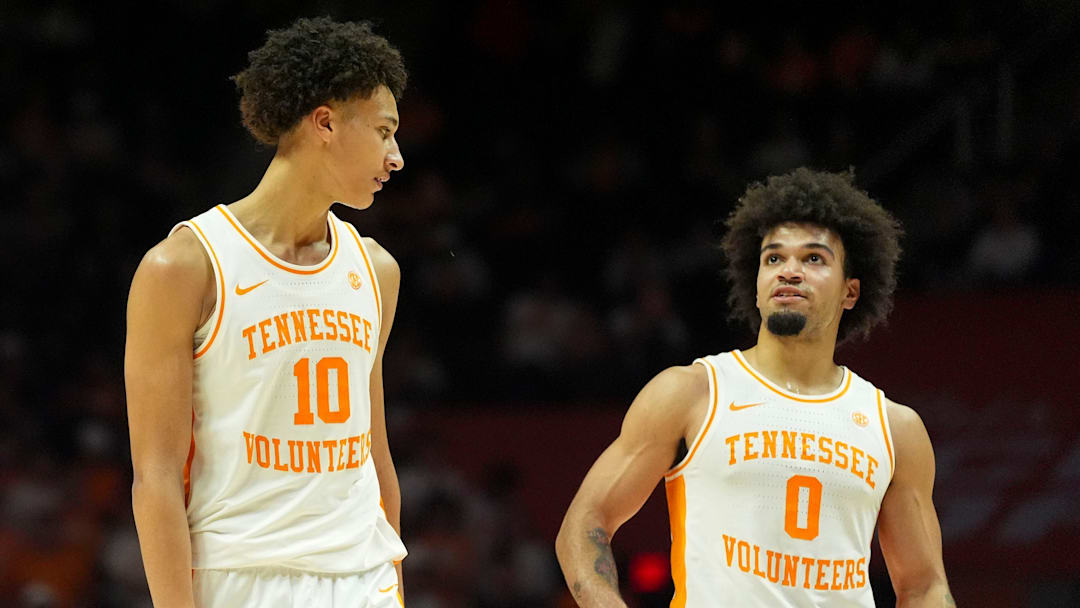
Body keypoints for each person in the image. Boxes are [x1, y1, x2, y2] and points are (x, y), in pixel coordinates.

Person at [556, 168, 954, 607]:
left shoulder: (895, 428)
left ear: (850, 292)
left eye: (814, 259)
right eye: (774, 258)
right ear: (758, 287)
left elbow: (924, 586)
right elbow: (586, 522)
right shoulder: (692, 393)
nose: (789, 271)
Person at [125, 17, 408, 607]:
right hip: (238, 577)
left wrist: (393, 580)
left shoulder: (375, 269)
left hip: (362, 576)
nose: (396, 156)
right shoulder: (183, 268)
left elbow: (374, 453)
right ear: (325, 122)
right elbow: (155, 479)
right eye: (384, 131)